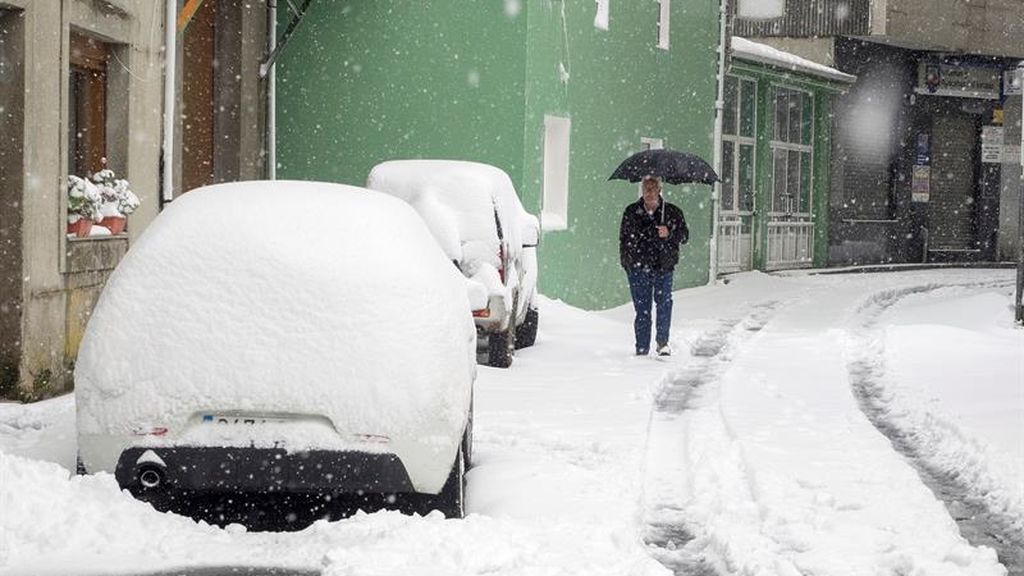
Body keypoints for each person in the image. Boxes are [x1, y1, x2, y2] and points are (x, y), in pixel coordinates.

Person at [619, 175, 688, 356]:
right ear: (641, 190)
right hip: (638, 267)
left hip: (663, 266)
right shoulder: (632, 212)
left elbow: (685, 236)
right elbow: (624, 239)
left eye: (652, 188)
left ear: (659, 190)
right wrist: (628, 263)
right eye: (646, 188)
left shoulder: (671, 212)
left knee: (664, 303)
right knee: (642, 309)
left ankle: (662, 342)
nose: (649, 192)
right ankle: (642, 347)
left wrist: (669, 232)